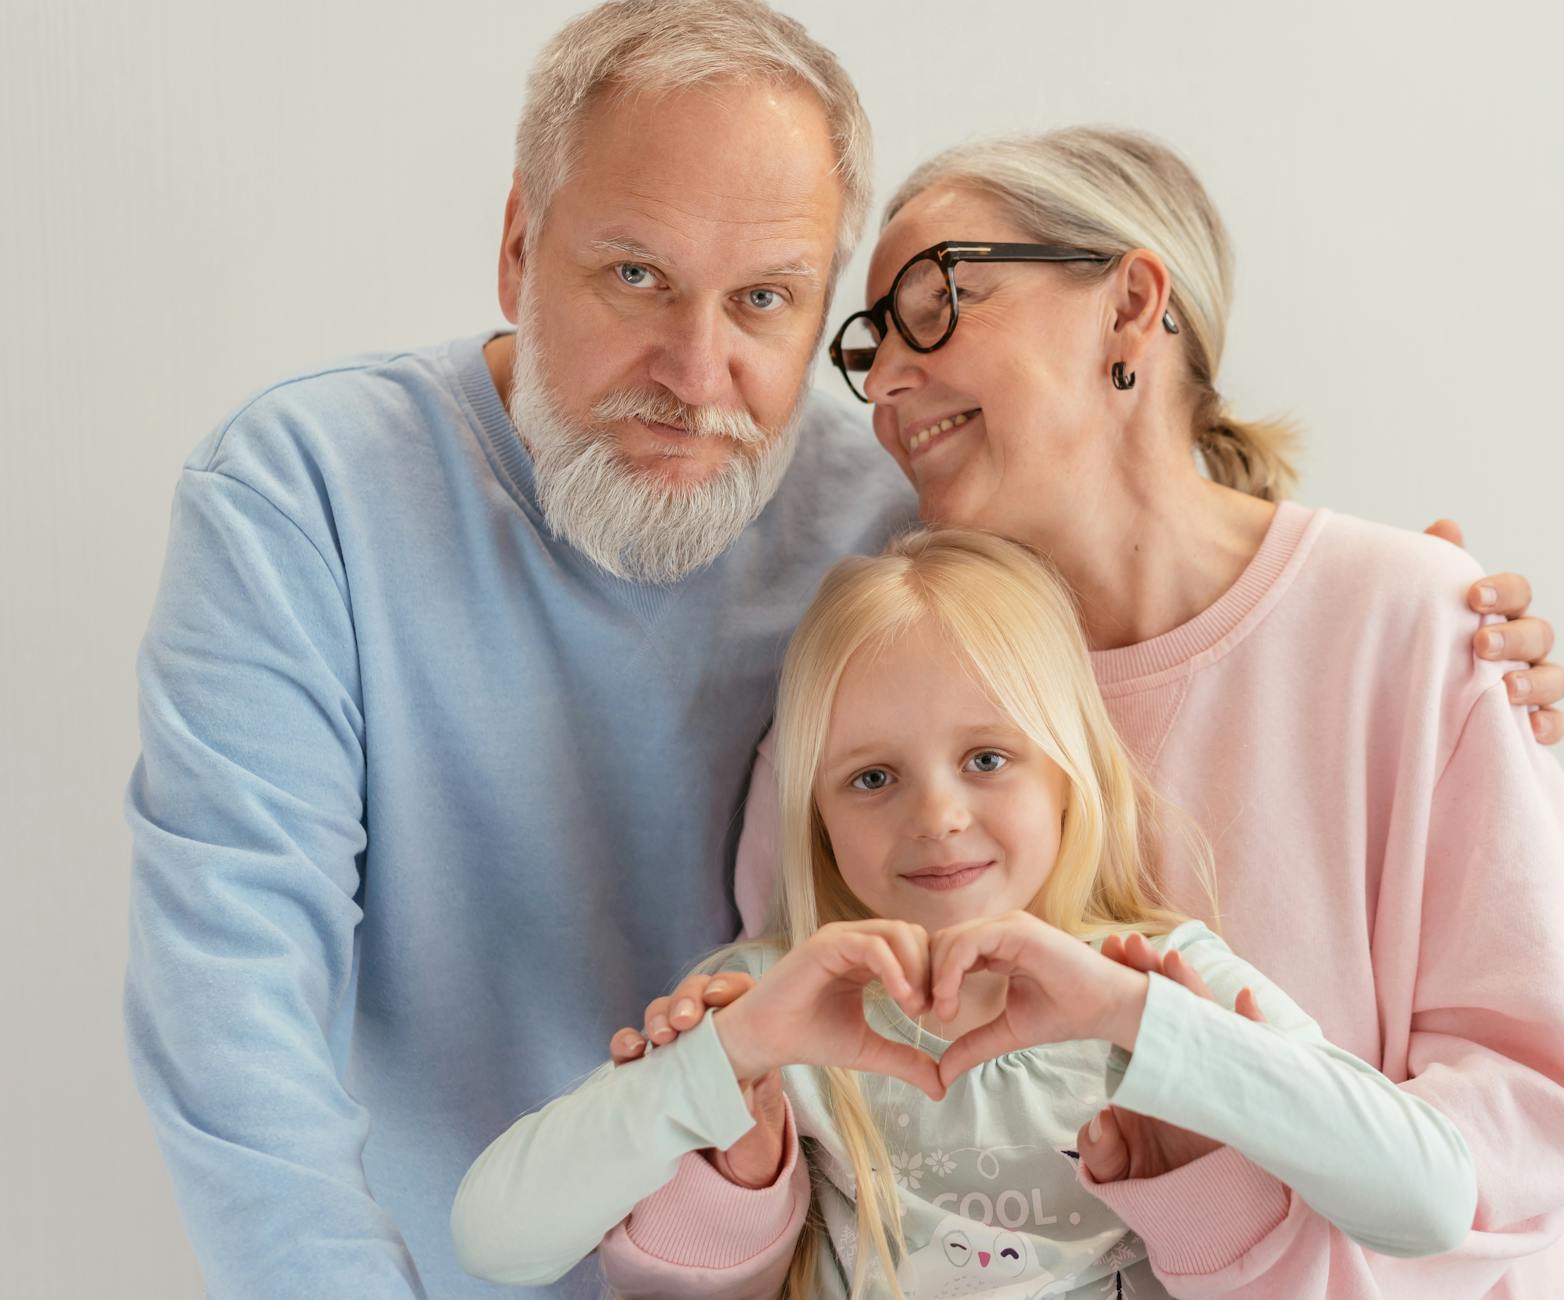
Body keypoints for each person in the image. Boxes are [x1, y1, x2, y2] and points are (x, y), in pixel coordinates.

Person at [122, 3, 1564, 1296]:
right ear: (518, 245)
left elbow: (1136, 592)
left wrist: (1427, 620)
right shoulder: (302, 498)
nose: (699, 375)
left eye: (767, 301)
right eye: (633, 275)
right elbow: (232, 1022)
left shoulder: (888, 513)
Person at [623, 125, 1564, 1300]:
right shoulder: (861, 707)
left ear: (1132, 305)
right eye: (872, 340)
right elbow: (814, 1166)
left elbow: (1529, 1115)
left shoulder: (1416, 623)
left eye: (938, 301)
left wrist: (1247, 1232)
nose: (886, 381)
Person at [452, 527, 1481, 1299]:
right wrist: (722, 1061)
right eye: (871, 777)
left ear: (1070, 776)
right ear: (813, 809)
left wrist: (1148, 1026)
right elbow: (498, 1238)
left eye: (988, 758)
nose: (937, 816)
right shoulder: (772, 1003)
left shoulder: (1161, 981)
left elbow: (1430, 1202)